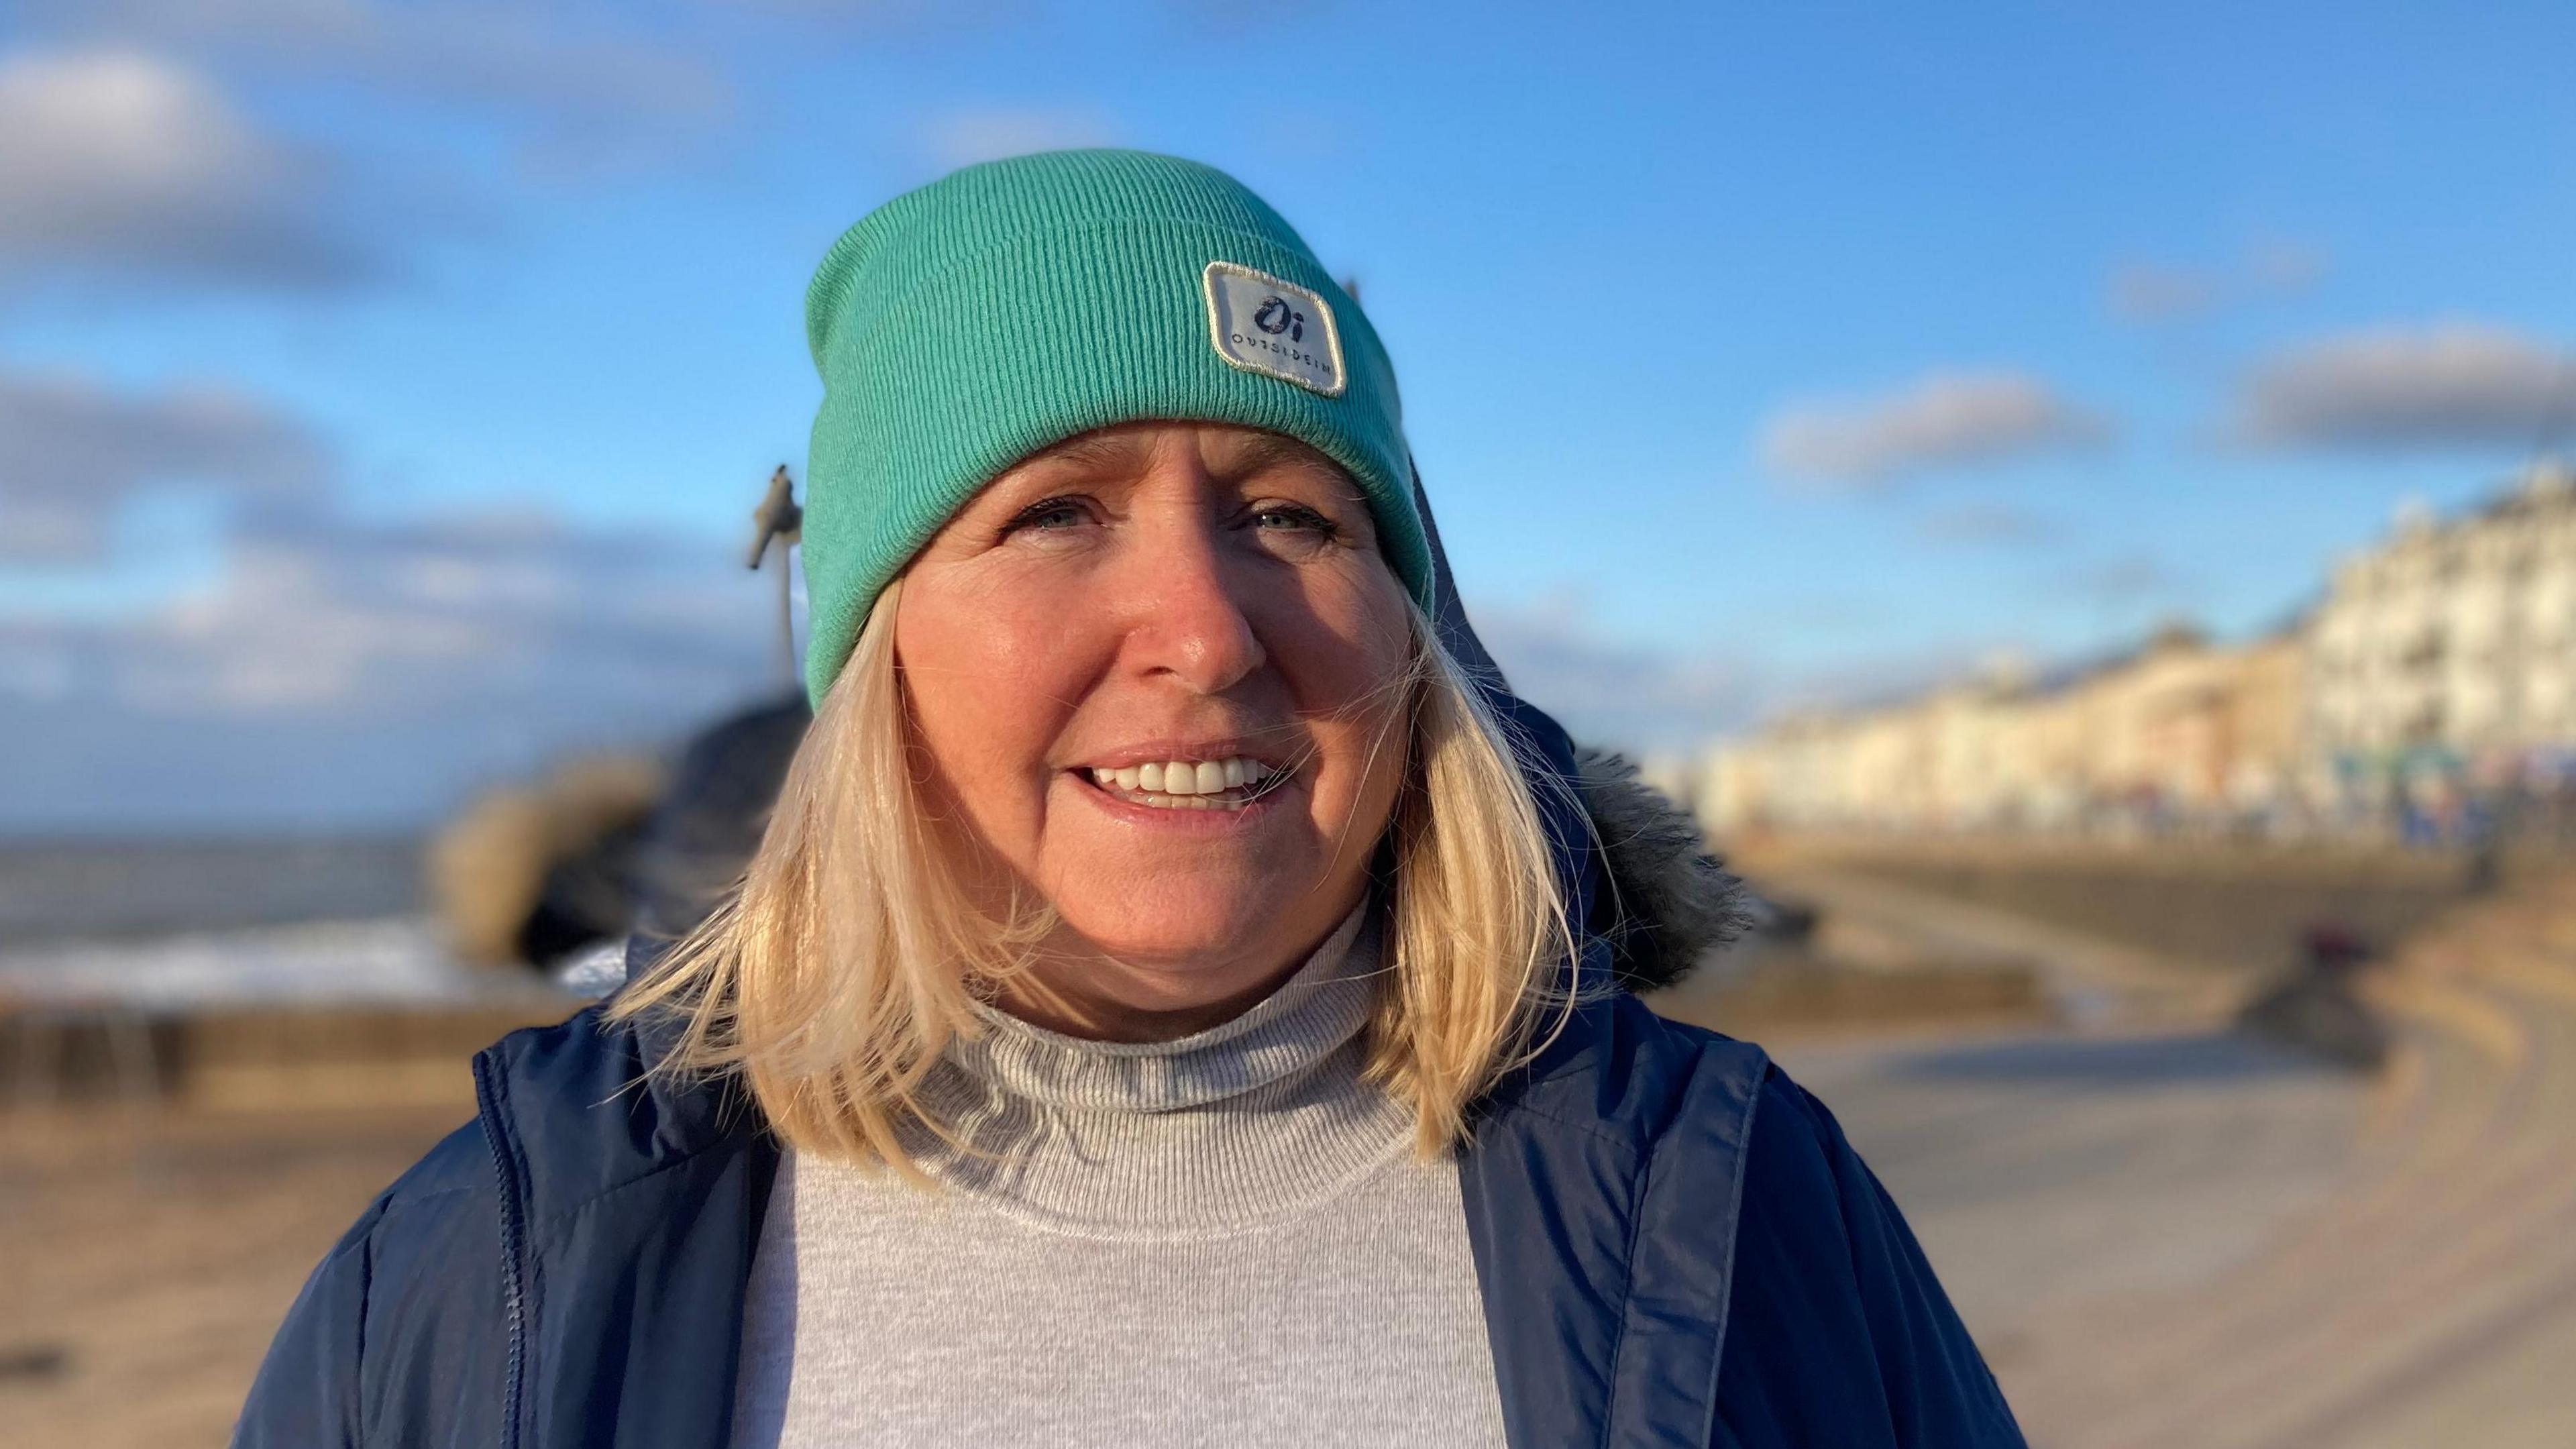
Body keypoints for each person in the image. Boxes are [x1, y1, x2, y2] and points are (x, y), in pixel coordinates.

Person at [234, 148, 2024, 1449]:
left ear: (1415, 639)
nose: (1202, 629)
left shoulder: (1733, 1200)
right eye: (1057, 512)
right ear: (875, 656)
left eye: (1292, 516)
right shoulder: (501, 1268)